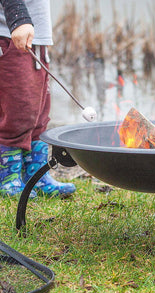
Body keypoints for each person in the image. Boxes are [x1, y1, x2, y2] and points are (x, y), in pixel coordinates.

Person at [0, 0, 75, 197]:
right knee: (17, 113)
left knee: (40, 112)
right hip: (11, 35)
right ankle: (8, 177)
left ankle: (36, 176)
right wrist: (19, 18)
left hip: (37, 38)